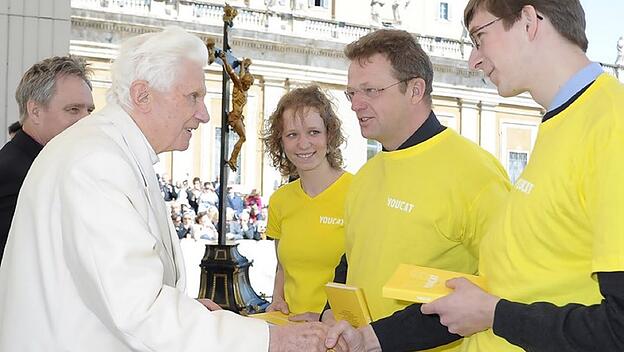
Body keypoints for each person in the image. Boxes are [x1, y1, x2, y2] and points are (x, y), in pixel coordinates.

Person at [0, 26, 333, 351]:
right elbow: (138, 311)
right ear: (142, 95)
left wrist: (189, 312)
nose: (203, 114)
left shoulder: (112, 151)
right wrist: (271, 340)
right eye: (193, 97)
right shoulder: (96, 163)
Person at [327, 1, 624, 352]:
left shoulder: (610, 125)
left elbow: (617, 328)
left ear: (528, 21)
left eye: (480, 37)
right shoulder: (561, 123)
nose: (473, 61)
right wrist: (372, 338)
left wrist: (497, 315)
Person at [322, 29, 511, 352]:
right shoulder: (365, 176)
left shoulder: (475, 172)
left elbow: (500, 287)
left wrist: (380, 337)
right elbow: (352, 259)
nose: (356, 105)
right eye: (351, 93)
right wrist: (330, 313)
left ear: (415, 90)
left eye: (371, 90)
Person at [262, 85, 353, 321]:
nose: (303, 144)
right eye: (292, 134)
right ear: (280, 141)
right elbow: (282, 267)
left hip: (340, 330)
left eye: (313, 132)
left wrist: (324, 316)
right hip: (291, 328)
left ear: (329, 135)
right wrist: (277, 300)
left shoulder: (357, 192)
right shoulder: (280, 200)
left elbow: (367, 274)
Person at [0, 55, 94, 263]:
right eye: (73, 110)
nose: (87, 121)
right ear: (35, 111)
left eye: (90, 110)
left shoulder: (49, 165)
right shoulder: (13, 174)